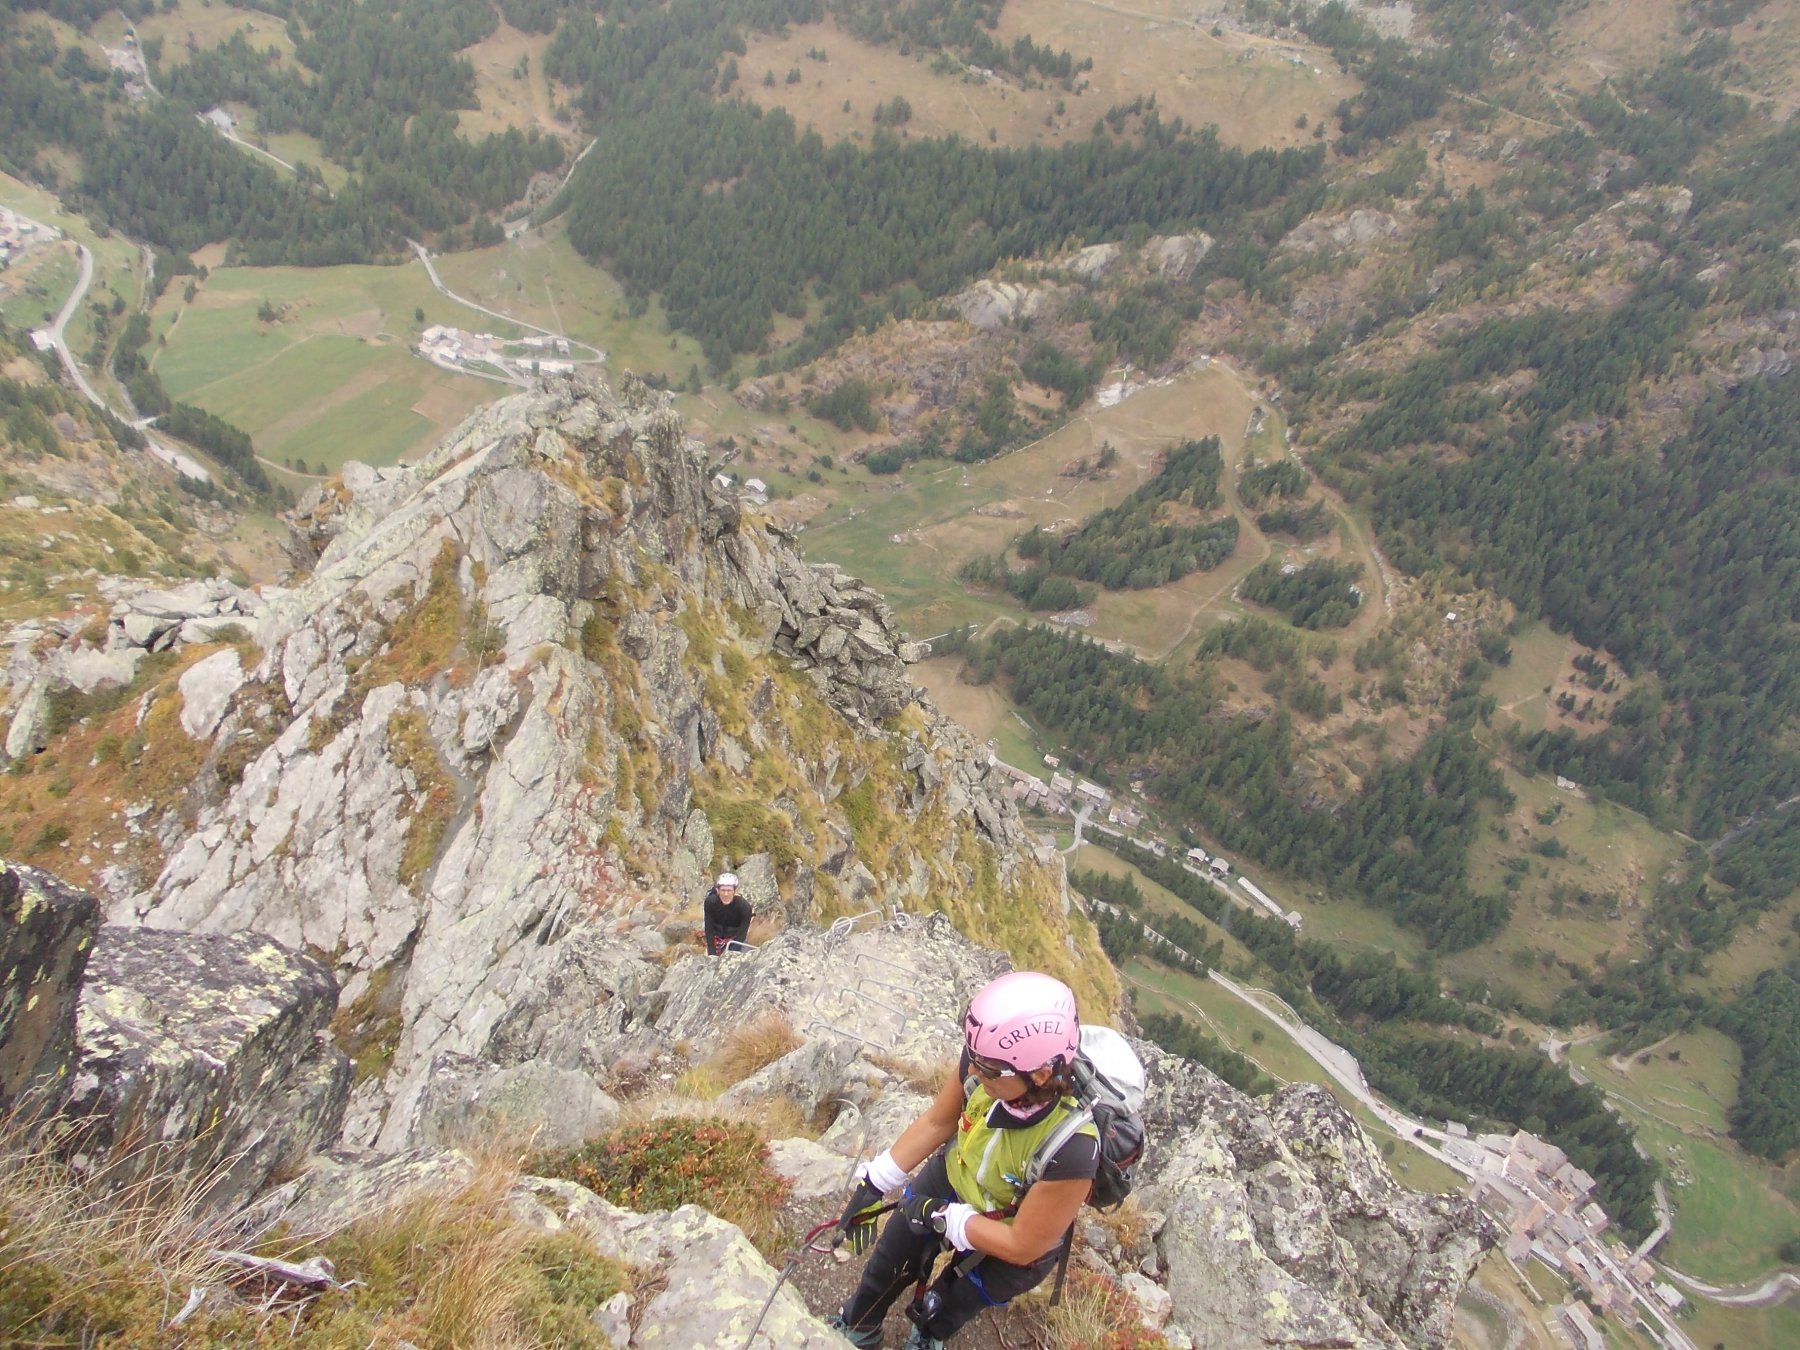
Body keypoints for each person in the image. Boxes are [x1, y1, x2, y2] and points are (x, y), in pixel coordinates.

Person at [827, 971, 1099, 1349]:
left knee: (949, 1304)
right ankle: (860, 1324)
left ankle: (927, 1335)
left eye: (987, 1068)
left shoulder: (1073, 1149)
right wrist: (876, 1182)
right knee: (890, 1260)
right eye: (972, 1057)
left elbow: (1023, 1245)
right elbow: (938, 1120)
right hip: (956, 1175)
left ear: (1039, 1073)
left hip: (1016, 1226)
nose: (972, 1070)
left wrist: (950, 1219)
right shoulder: (987, 1058)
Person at [702, 871, 751, 955]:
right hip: (716, 939)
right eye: (723, 890)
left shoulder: (744, 907)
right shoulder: (710, 903)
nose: (726, 894)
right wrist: (712, 953)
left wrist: (730, 955)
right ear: (717, 890)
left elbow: (742, 934)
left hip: (735, 940)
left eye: (729, 891)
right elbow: (709, 928)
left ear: (735, 892)